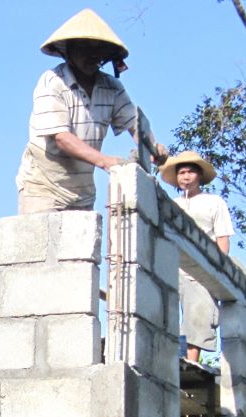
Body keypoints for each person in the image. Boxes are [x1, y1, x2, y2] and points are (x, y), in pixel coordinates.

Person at [16, 8, 167, 214]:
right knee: (40, 244)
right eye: (84, 48)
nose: (92, 55)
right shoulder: (52, 82)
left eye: (98, 50)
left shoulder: (112, 87)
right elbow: (61, 138)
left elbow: (134, 124)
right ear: (68, 50)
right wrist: (105, 161)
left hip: (82, 191)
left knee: (79, 245)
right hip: (43, 186)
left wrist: (153, 148)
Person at [159, 150, 234, 362]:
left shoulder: (214, 202)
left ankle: (191, 361)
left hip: (202, 267)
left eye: (190, 172)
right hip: (174, 265)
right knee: (166, 312)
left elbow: (222, 237)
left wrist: (219, 267)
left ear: (199, 175)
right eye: (181, 172)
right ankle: (168, 359)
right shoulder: (172, 204)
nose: (185, 176)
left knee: (198, 312)